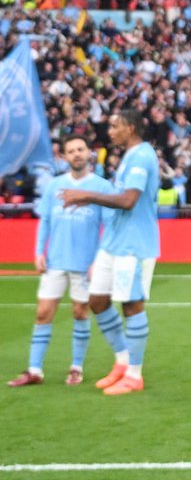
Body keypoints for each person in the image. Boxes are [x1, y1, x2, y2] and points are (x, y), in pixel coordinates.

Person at [60, 109, 161, 396]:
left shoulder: (141, 156)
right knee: (98, 300)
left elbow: (129, 200)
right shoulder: (129, 156)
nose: (110, 131)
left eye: (115, 126)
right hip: (114, 241)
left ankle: (135, 374)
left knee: (131, 305)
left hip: (134, 244)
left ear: (130, 128)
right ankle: (122, 360)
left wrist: (86, 195)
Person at [7, 137, 112, 388]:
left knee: (79, 312)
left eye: (80, 149)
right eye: (71, 151)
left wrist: (98, 259)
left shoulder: (102, 187)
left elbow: (108, 227)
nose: (76, 154)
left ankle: (76, 367)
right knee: (43, 313)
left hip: (85, 262)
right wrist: (38, 251)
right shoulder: (55, 186)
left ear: (89, 153)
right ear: (64, 157)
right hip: (55, 259)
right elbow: (45, 221)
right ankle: (34, 370)